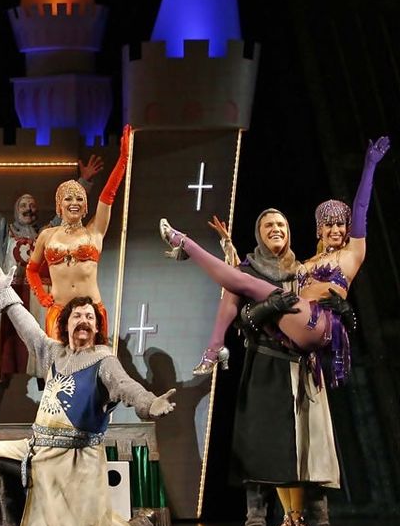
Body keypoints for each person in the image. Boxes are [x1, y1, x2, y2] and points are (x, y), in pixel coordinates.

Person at [0, 258, 175, 526]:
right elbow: (29, 329)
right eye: (77, 316)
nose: (84, 320)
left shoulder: (104, 359)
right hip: (39, 450)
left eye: (90, 317)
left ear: (96, 327)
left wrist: (149, 402)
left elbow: (126, 386)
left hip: (77, 460)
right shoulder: (53, 353)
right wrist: (5, 292)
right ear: (66, 322)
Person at [159, 137, 389, 384]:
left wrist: (370, 165)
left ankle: (185, 244)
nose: (335, 230)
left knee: (244, 281)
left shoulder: (352, 254)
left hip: (319, 323)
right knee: (238, 282)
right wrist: (228, 246)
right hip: (294, 328)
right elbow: (261, 277)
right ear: (319, 229)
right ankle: (216, 348)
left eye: (341, 224)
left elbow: (361, 207)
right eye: (329, 225)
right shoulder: (305, 264)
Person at [201, 210, 343, 526]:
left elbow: (322, 313)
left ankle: (321, 525)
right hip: (265, 364)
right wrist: (264, 309)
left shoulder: (304, 271)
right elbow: (237, 319)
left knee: (313, 445)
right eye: (268, 225)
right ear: (259, 233)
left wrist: (338, 317)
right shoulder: (246, 271)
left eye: (281, 224)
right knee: (259, 445)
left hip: (303, 367)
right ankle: (255, 523)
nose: (276, 229)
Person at [0, 154, 104, 422]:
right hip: (14, 300)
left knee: (49, 354)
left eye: (32, 205)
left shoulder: (48, 233)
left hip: (41, 300)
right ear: (16, 210)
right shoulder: (6, 232)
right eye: (23, 204)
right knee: (3, 357)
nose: (28, 208)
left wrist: (84, 181)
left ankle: (57, 416)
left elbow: (66, 214)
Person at [26, 126, 131, 338]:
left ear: (85, 206)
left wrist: (123, 159)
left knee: (92, 360)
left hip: (91, 313)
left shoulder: (94, 231)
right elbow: (31, 270)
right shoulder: (47, 235)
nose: (74, 203)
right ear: (59, 205)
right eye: (68, 198)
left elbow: (108, 195)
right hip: (59, 313)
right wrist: (41, 295)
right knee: (58, 360)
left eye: (79, 199)